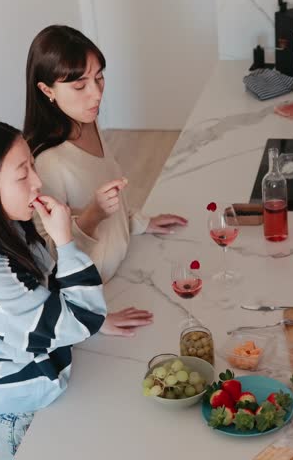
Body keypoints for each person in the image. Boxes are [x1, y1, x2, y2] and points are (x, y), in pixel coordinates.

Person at [0, 119, 154, 460]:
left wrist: (93, 319)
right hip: (18, 422)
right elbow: (79, 319)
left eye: (32, 165)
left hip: (43, 390)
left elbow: (44, 294)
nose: (37, 181)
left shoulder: (3, 228)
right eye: (23, 174)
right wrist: (66, 242)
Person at [24, 25, 187, 282]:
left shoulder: (87, 121)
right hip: (98, 294)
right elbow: (51, 260)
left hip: (125, 263)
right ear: (47, 91)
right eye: (80, 86)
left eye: (99, 77)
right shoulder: (47, 162)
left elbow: (109, 190)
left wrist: (139, 223)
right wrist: (93, 215)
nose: (97, 94)